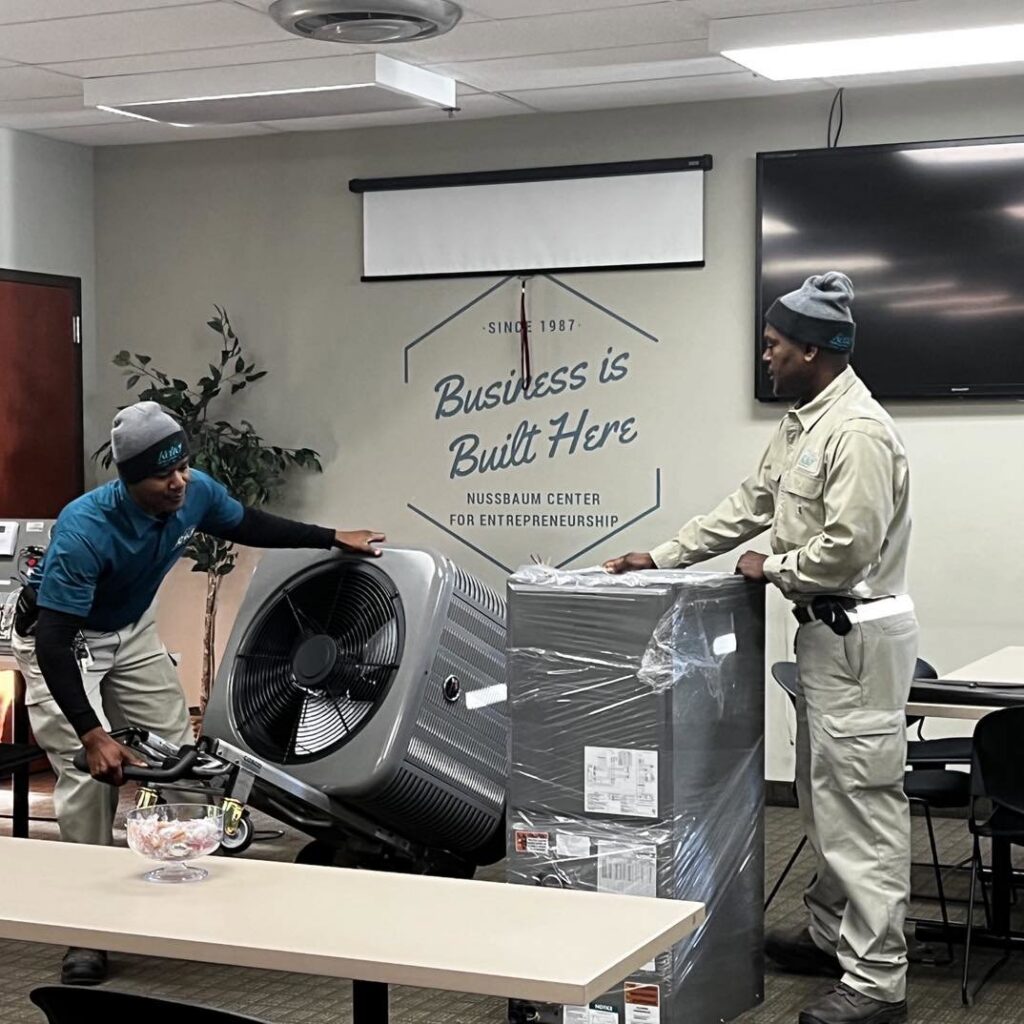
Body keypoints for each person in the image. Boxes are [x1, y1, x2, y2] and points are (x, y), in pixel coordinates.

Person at [604, 272, 916, 1024]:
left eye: (775, 346)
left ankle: (878, 983)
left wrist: (771, 567)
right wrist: (666, 554)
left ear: (814, 350)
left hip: (856, 638)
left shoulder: (860, 433)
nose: (766, 357)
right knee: (825, 799)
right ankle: (832, 935)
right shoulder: (807, 420)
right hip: (826, 639)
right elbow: (754, 502)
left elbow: (847, 548)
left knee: (861, 808)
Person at [12, 401, 385, 985]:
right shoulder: (84, 529)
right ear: (130, 480)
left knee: (173, 753)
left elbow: (249, 524)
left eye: (182, 465)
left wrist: (333, 537)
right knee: (90, 776)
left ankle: (167, 887)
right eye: (164, 475)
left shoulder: (196, 492)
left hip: (129, 628)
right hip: (64, 638)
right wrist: (92, 733)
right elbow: (57, 640)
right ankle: (83, 933)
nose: (179, 481)